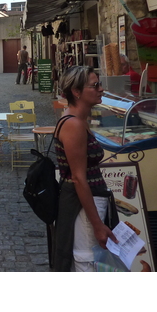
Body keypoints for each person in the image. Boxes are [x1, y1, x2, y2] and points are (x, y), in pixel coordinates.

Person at [53, 66, 118, 271]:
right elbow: (79, 178)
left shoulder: (78, 120)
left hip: (84, 202)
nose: (101, 89)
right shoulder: (74, 124)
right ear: (77, 91)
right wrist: (98, 224)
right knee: (87, 261)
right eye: (95, 85)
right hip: (83, 206)